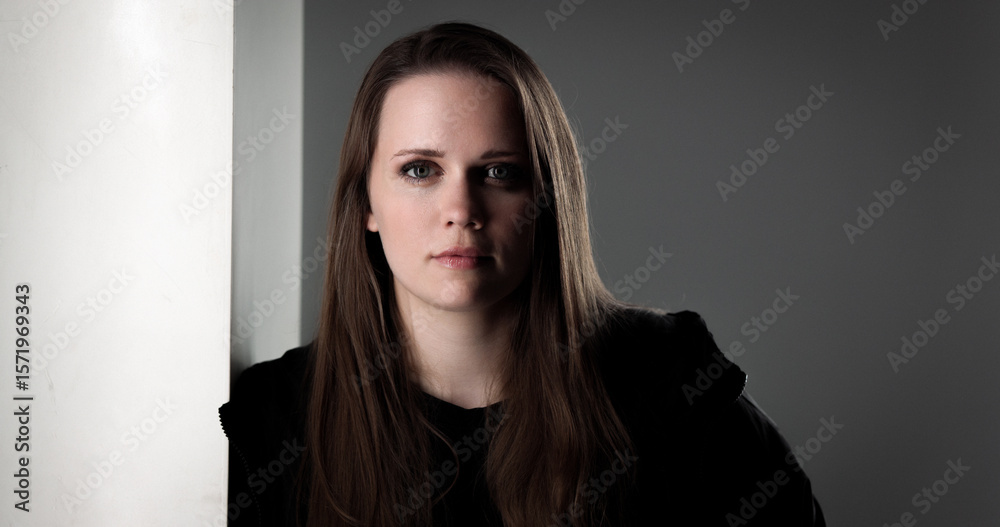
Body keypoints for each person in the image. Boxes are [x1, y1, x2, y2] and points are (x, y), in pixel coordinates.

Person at [219, 21, 826, 527]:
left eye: (499, 172)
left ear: (548, 198)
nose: (461, 211)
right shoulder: (279, 419)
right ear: (366, 205)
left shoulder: (668, 386)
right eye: (419, 170)